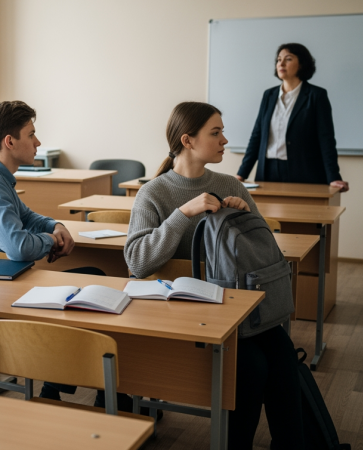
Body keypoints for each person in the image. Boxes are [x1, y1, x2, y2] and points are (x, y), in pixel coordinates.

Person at [125, 102, 303, 449]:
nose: (225, 140)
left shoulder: (230, 186)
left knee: (283, 358)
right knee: (250, 368)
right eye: (216, 132)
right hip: (181, 316)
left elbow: (265, 256)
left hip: (234, 310)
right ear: (188, 140)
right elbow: (137, 261)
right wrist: (182, 214)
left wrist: (244, 220)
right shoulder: (154, 192)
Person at [0, 100, 121, 408]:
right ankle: (94, 390)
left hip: (1, 281)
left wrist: (54, 225)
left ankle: (62, 387)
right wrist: (50, 240)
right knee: (94, 282)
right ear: (10, 142)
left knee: (89, 281)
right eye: (31, 134)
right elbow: (18, 247)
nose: (38, 142)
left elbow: (28, 217)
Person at [236, 43, 349, 192]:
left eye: (288, 59)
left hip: (304, 171)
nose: (281, 63)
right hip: (268, 171)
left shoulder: (316, 95)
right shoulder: (268, 95)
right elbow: (257, 136)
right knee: (265, 215)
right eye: (278, 59)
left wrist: (333, 177)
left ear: (302, 64)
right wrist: (241, 175)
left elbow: (326, 139)